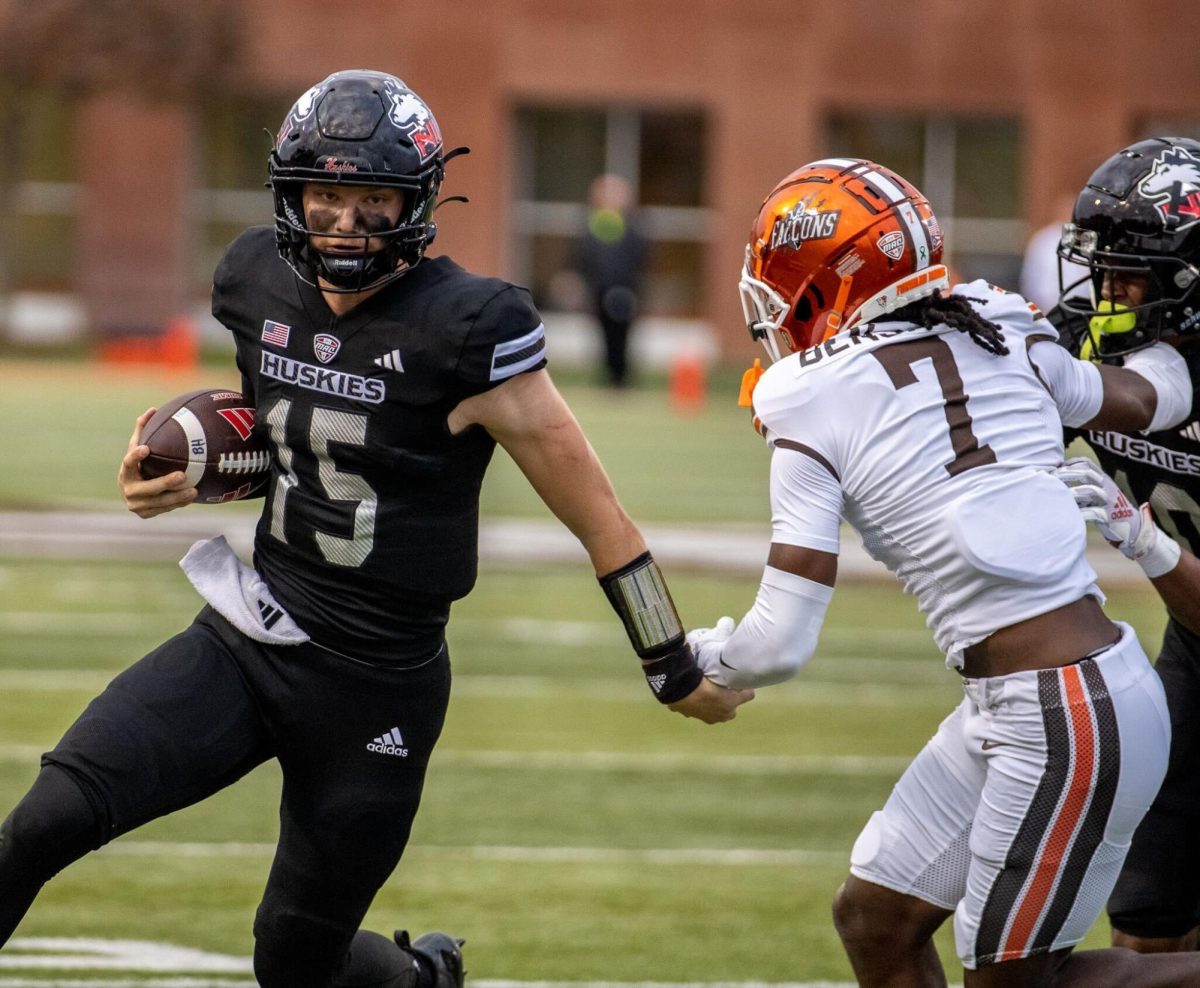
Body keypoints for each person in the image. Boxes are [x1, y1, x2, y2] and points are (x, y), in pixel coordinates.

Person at [0, 70, 752, 987]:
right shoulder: (254, 282)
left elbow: (600, 518)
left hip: (376, 686)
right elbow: (294, 436)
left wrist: (670, 662)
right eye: (325, 195)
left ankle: (422, 981)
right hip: (251, 635)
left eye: (372, 198)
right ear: (292, 194)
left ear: (418, 197)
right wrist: (190, 474)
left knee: (296, 960)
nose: (346, 221)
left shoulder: (468, 329)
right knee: (44, 820)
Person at [692, 156, 1200, 986]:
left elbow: (778, 641)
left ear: (821, 283)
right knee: (877, 921)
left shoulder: (804, 393)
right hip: (1044, 697)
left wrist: (695, 660)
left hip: (1066, 706)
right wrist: (1183, 346)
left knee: (1013, 982)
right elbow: (1151, 398)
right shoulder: (1002, 319)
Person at [1048, 136, 1200, 954]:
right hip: (1195, 645)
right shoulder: (1091, 339)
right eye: (1101, 267)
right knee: (1147, 924)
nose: (1108, 291)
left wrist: (1142, 541)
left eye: (1130, 271)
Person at [575, 173, 647, 388]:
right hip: (600, 289)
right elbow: (584, 255)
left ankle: (622, 377)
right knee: (603, 333)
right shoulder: (593, 223)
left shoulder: (631, 225)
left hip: (625, 288)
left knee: (623, 333)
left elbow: (639, 256)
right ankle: (608, 375)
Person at [1019, 192, 1088, 315]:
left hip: (1079, 308)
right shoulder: (1043, 238)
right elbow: (1032, 275)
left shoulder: (1083, 239)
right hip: (1047, 305)